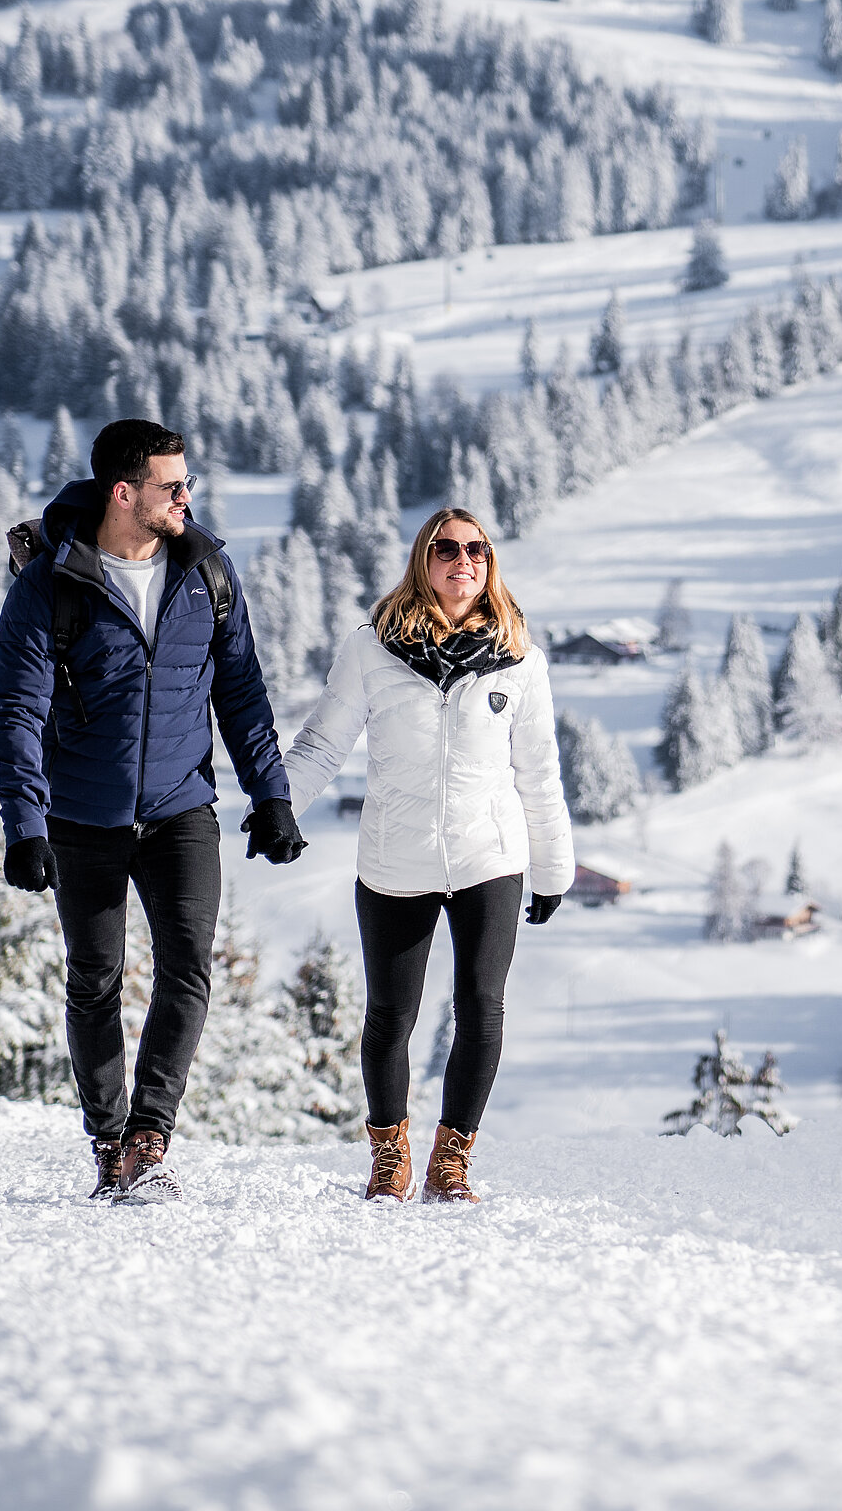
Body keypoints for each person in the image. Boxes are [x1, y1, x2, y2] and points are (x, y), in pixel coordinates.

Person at [0, 420, 305, 1203]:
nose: (187, 499)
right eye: (174, 487)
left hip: (181, 809)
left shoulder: (206, 571)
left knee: (187, 970)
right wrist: (26, 828)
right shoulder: (50, 585)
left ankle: (148, 1140)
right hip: (82, 816)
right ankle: (107, 1139)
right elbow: (16, 714)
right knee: (95, 981)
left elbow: (241, 693)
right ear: (123, 493)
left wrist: (272, 797)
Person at [281, 508, 574, 1203]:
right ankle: (389, 1156)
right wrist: (277, 806)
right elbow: (323, 744)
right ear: (423, 559)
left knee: (481, 1007)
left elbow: (538, 769)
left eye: (476, 549)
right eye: (446, 548)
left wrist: (552, 866)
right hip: (395, 859)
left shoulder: (521, 658)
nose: (462, 560)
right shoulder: (372, 648)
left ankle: (451, 1160)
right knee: (390, 1015)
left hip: (488, 858)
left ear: (490, 562)